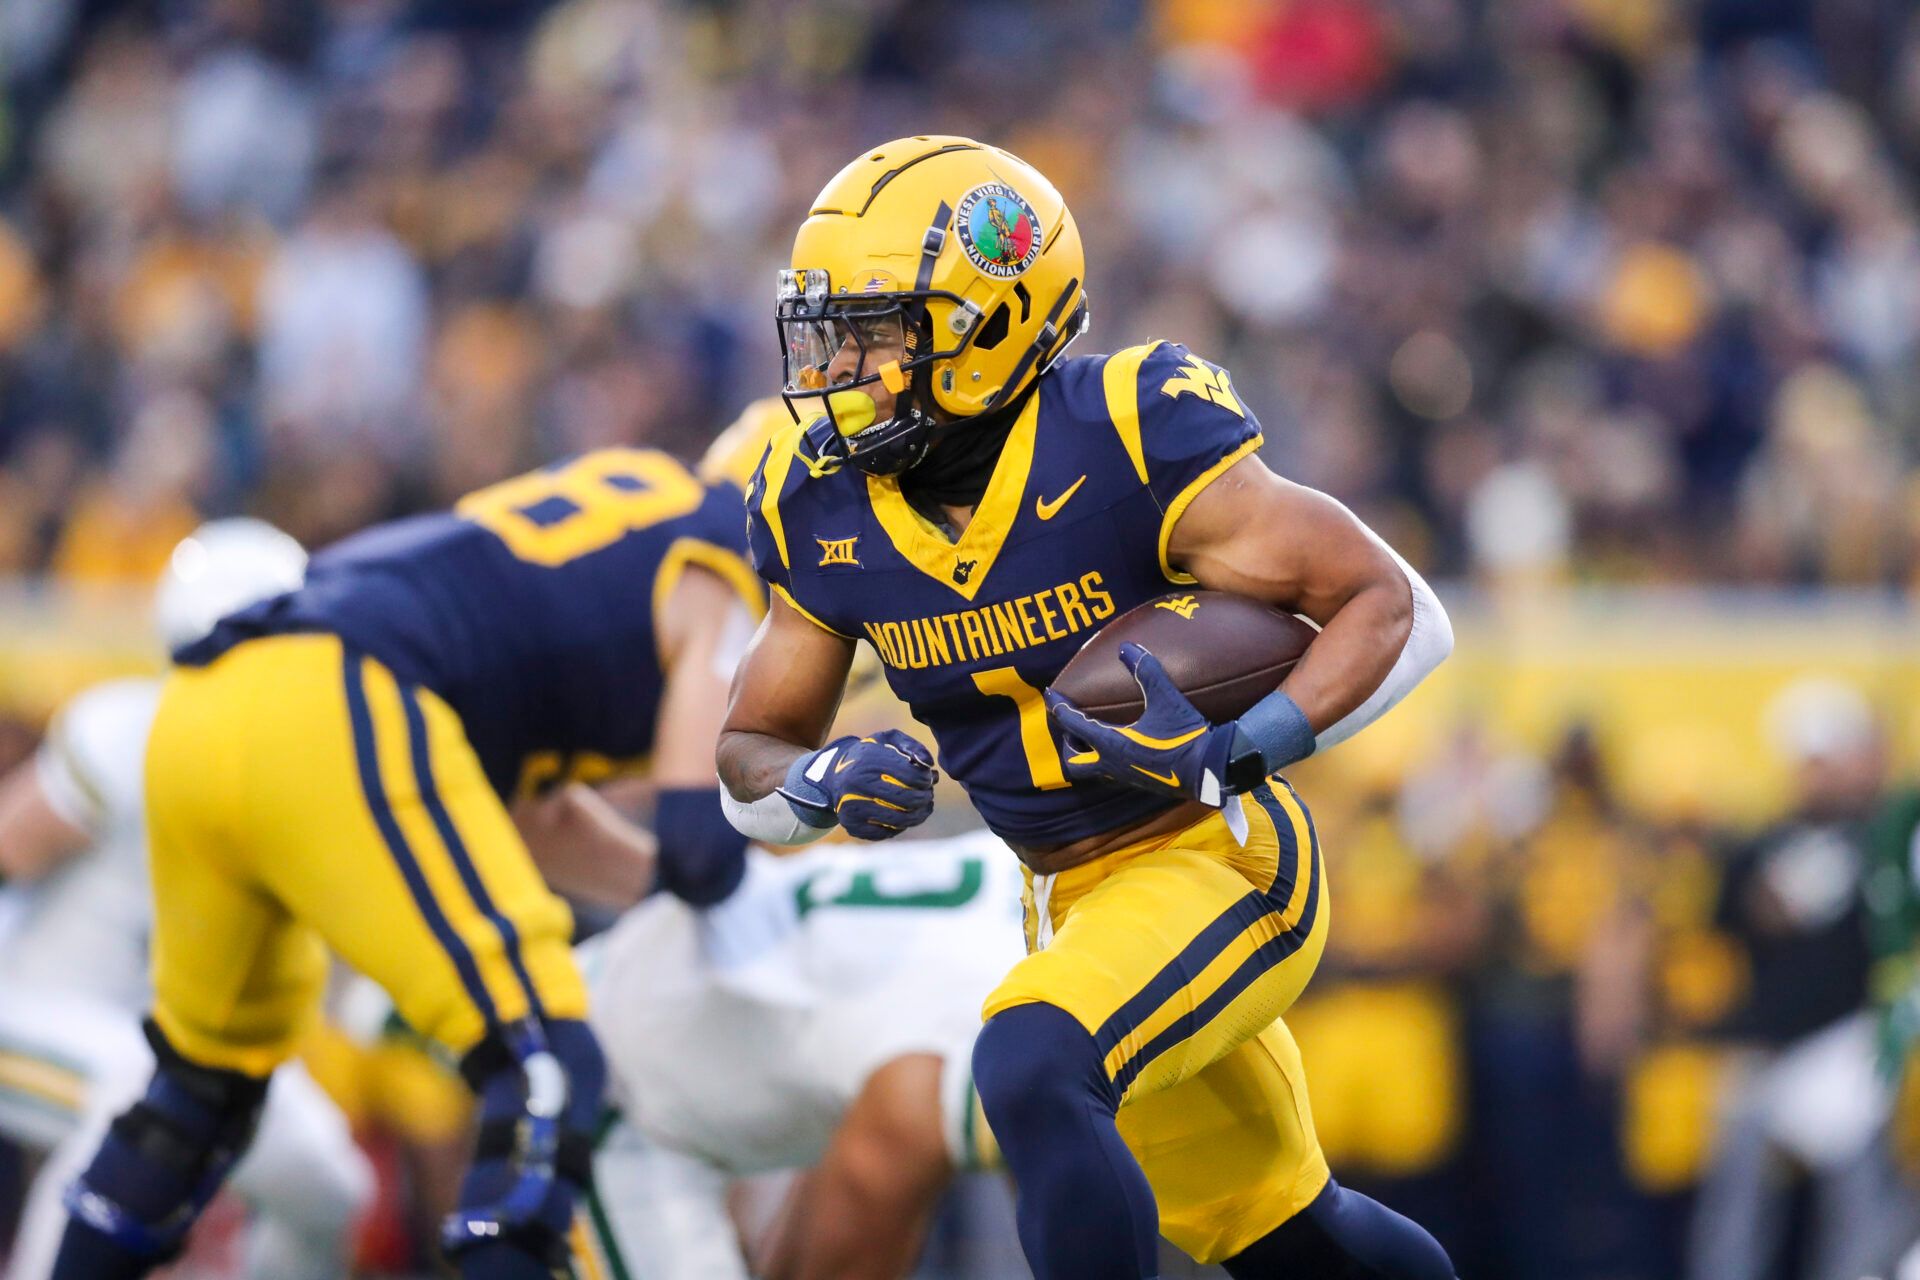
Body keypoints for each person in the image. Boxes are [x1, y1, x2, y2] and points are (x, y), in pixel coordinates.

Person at [716, 135, 1458, 1280]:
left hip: (1217, 850)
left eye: (875, 331)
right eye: (830, 332)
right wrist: (812, 786)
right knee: (1288, 1235)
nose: (839, 365)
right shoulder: (819, 499)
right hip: (1063, 893)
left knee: (1028, 1055)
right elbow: (748, 752)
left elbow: (1393, 603)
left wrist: (1243, 746)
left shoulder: (1122, 425)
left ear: (990, 322)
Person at [50, 447, 763, 1280]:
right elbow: (701, 849)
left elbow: (536, 820)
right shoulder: (737, 565)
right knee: (543, 1063)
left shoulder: (641, 502)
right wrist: (753, 893)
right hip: (336, 693)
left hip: (200, 712)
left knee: (195, 1092)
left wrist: (664, 891)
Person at [0, 520, 374, 1280]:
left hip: (189, 1047)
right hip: (38, 1008)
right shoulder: (123, 733)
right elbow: (8, 848)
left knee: (332, 1188)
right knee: (132, 1103)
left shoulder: (305, 776)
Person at [555, 829, 1019, 1279]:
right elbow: (882, 1155)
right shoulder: (1029, 1010)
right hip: (607, 1082)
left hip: (649, 999)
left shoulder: (1046, 872)